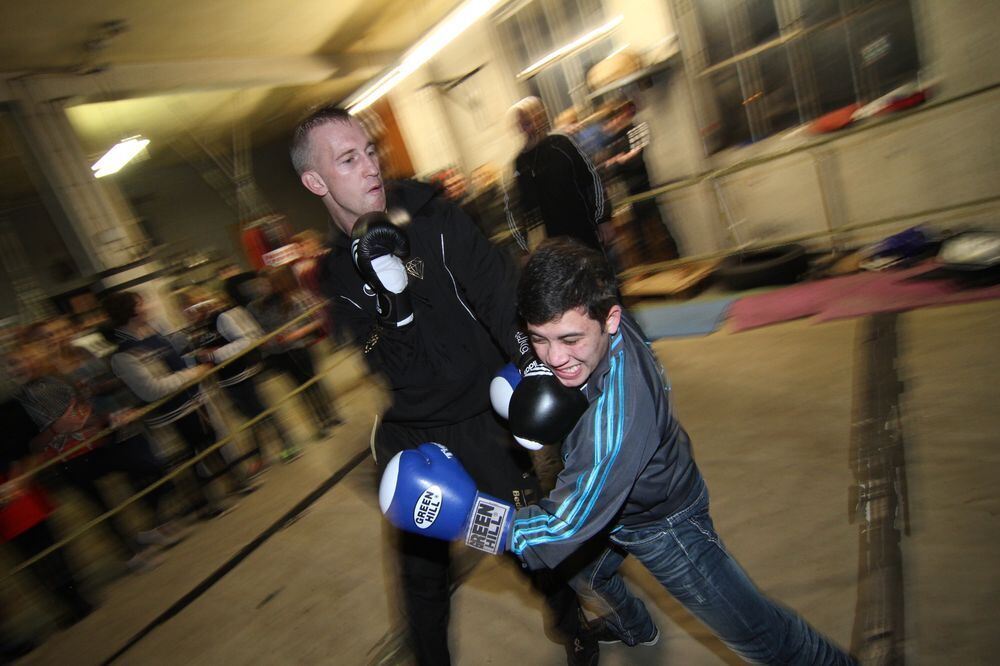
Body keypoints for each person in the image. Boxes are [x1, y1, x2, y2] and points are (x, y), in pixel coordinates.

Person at [381, 238, 857, 665]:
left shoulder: (614, 425)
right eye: (540, 340)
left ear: (610, 319)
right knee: (584, 573)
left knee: (762, 638)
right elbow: (548, 348)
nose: (554, 358)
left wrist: (471, 521)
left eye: (570, 340)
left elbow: (562, 526)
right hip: (613, 504)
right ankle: (635, 627)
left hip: (663, 524)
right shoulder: (600, 313)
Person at [290, 105, 594, 665]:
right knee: (419, 576)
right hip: (415, 432)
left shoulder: (432, 214)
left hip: (481, 420)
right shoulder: (337, 273)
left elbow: (498, 293)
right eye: (348, 159)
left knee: (514, 541)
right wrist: (394, 312)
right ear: (316, 181)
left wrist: (530, 369)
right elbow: (390, 369)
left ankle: (573, 623)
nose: (370, 167)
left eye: (369, 151)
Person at [175, 287, 299, 471]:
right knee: (250, 417)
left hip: (243, 374)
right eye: (187, 310)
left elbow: (245, 341)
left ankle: (286, 446)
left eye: (194, 306)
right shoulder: (196, 328)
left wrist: (214, 355)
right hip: (225, 380)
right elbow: (197, 353)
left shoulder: (221, 317)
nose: (192, 312)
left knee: (261, 413)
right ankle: (264, 454)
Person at [508, 97, 613, 253]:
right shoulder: (520, 163)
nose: (523, 124)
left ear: (538, 116)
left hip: (584, 228)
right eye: (519, 121)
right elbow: (521, 208)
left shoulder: (562, 144)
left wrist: (603, 219)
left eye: (527, 118)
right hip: (554, 242)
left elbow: (592, 179)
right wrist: (524, 248)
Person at [249, 266, 341, 441]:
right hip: (279, 354)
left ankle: (330, 415)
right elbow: (256, 332)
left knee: (314, 383)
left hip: (299, 348)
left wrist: (296, 334)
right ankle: (319, 423)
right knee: (300, 390)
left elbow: (315, 320)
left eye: (265, 284)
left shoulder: (293, 298)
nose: (261, 288)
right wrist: (267, 341)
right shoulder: (256, 307)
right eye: (259, 284)